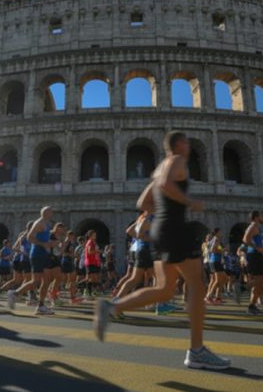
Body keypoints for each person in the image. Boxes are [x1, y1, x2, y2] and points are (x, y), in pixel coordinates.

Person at [93, 131, 230, 370]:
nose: (189, 145)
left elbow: (142, 203)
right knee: (197, 285)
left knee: (165, 290)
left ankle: (111, 307)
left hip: (160, 229)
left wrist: (162, 211)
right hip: (175, 228)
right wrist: (188, 202)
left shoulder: (157, 170)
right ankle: (197, 350)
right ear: (178, 144)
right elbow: (167, 185)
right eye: (187, 141)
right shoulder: (176, 160)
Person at [243, 211, 263, 316]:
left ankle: (252, 305)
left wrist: (262, 249)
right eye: (262, 215)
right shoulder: (253, 226)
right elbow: (245, 239)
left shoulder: (256, 227)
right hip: (254, 255)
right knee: (261, 280)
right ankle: (245, 288)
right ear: (256, 217)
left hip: (256, 255)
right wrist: (258, 249)